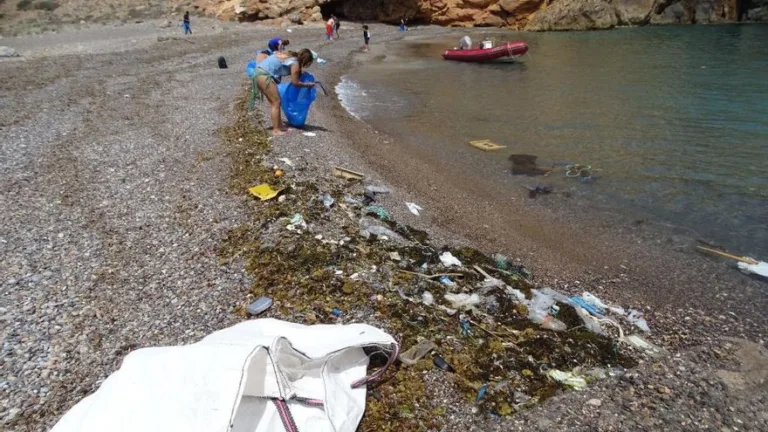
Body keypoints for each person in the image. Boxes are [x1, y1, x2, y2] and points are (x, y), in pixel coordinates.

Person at [253, 49, 315, 136]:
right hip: (264, 75)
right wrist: (308, 84)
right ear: (306, 60)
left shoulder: (290, 56)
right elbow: (295, 82)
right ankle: (276, 130)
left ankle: (280, 126)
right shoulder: (295, 63)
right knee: (276, 102)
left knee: (275, 102)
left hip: (258, 72)